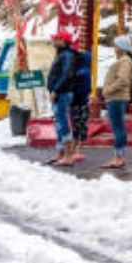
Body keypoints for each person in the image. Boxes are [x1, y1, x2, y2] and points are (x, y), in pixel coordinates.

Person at [101, 35, 132, 169]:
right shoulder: (123, 60)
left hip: (117, 97)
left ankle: (118, 158)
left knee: (118, 128)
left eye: (116, 45)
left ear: (121, 47)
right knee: (118, 128)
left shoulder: (125, 61)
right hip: (116, 97)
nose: (114, 48)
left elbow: (123, 80)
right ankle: (118, 156)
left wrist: (108, 91)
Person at [46, 31, 78, 165]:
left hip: (62, 93)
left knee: (63, 124)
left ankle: (68, 156)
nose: (53, 41)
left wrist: (56, 91)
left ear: (63, 41)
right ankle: (60, 153)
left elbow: (66, 75)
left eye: (56, 39)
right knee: (59, 124)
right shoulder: (61, 54)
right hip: (59, 93)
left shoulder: (68, 55)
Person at [67, 47, 93, 164]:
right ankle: (75, 149)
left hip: (80, 102)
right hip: (77, 102)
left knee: (80, 126)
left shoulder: (83, 72)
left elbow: (82, 88)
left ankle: (79, 149)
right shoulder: (80, 70)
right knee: (77, 125)